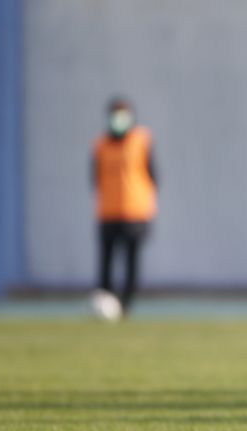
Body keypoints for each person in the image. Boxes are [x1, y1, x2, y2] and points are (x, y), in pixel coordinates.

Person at [91, 97, 157, 315]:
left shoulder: (141, 141)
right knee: (106, 261)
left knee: (131, 261)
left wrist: (148, 208)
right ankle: (104, 300)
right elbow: (95, 178)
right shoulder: (100, 145)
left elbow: (153, 175)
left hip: (135, 212)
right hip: (108, 212)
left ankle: (126, 304)